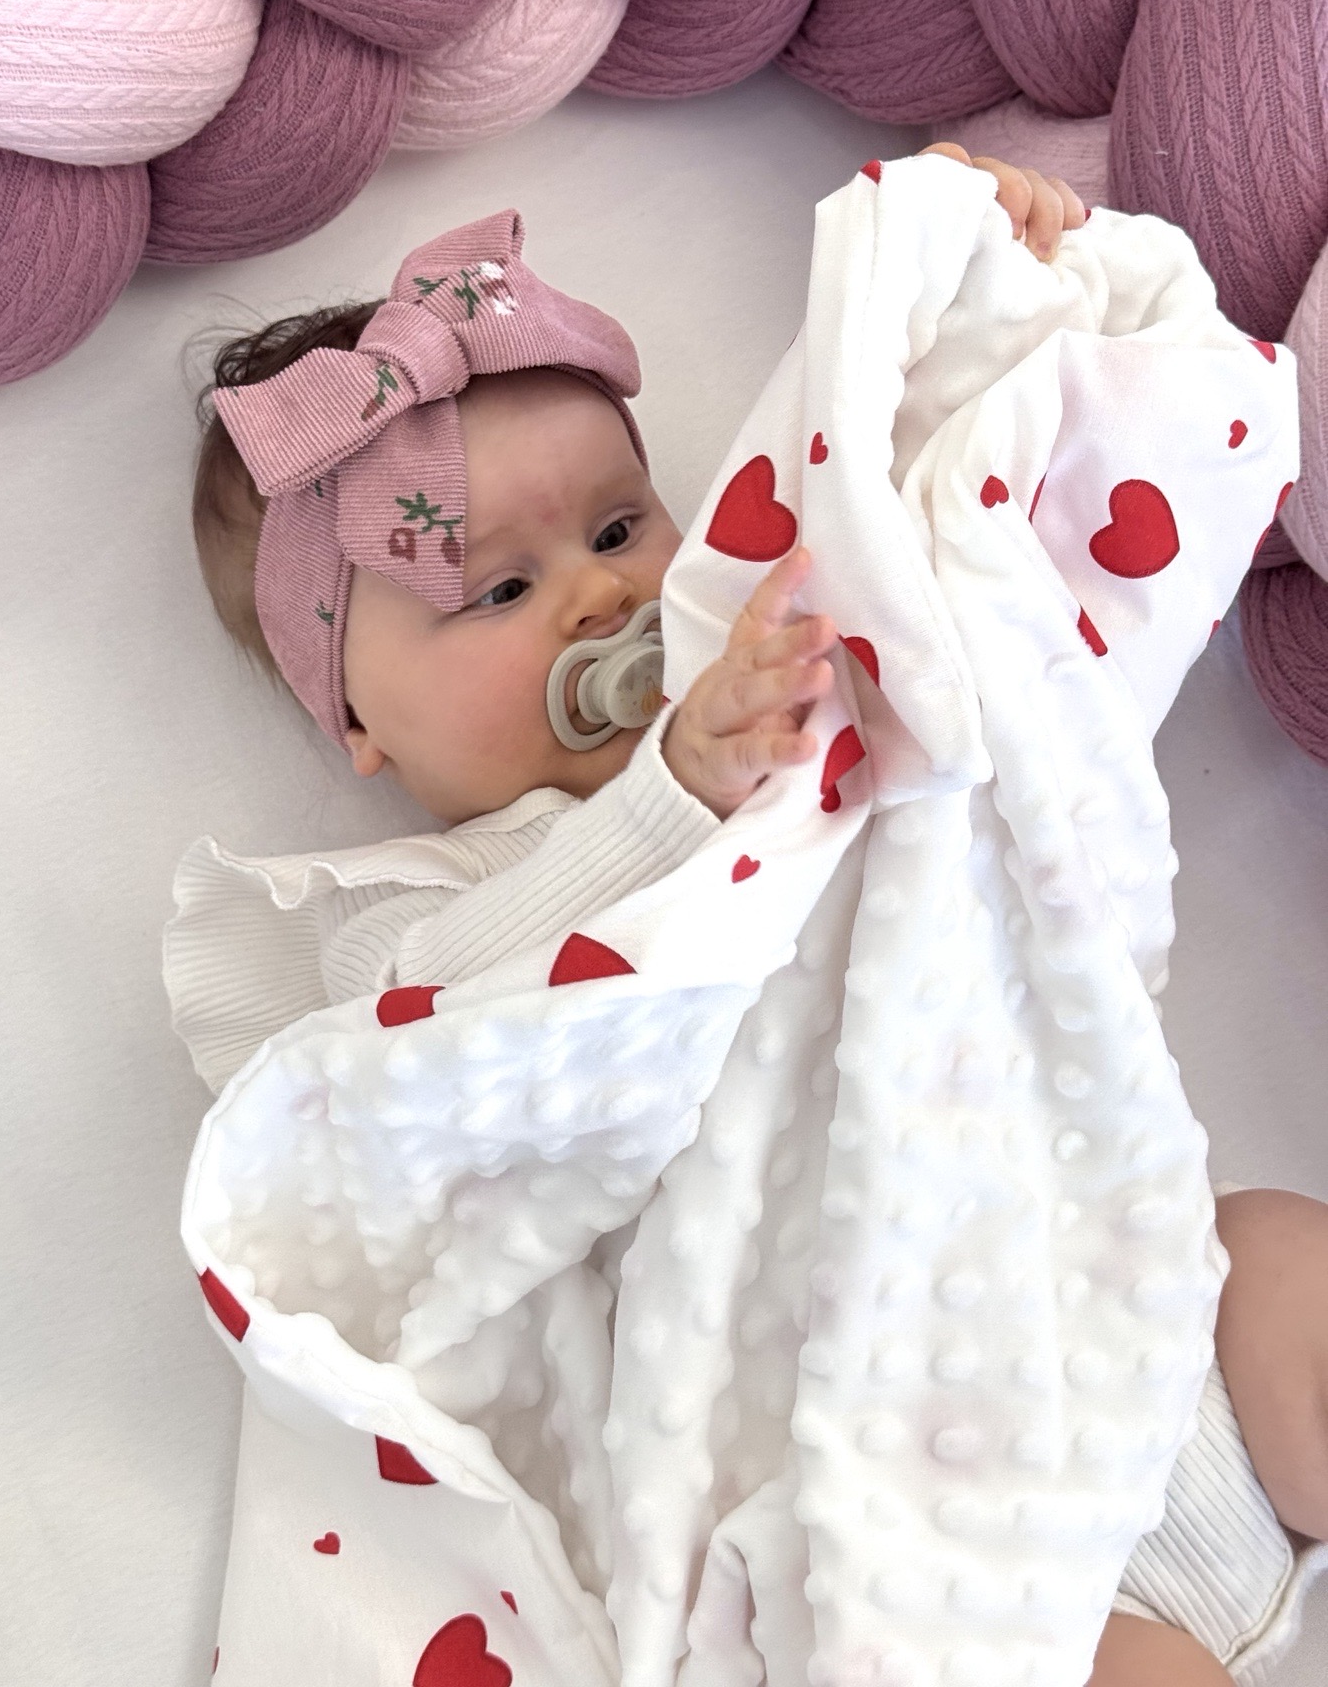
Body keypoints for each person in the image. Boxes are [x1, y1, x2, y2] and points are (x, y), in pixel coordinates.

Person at [166, 147, 1328, 1686]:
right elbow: (453, 1044)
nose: (597, 602)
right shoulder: (396, 926)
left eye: (618, 530)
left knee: (1280, 1258)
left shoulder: (789, 664)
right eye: (497, 593)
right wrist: (673, 799)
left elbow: (947, 537)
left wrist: (981, 287)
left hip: (1106, 1290)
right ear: (358, 723)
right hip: (898, 1476)